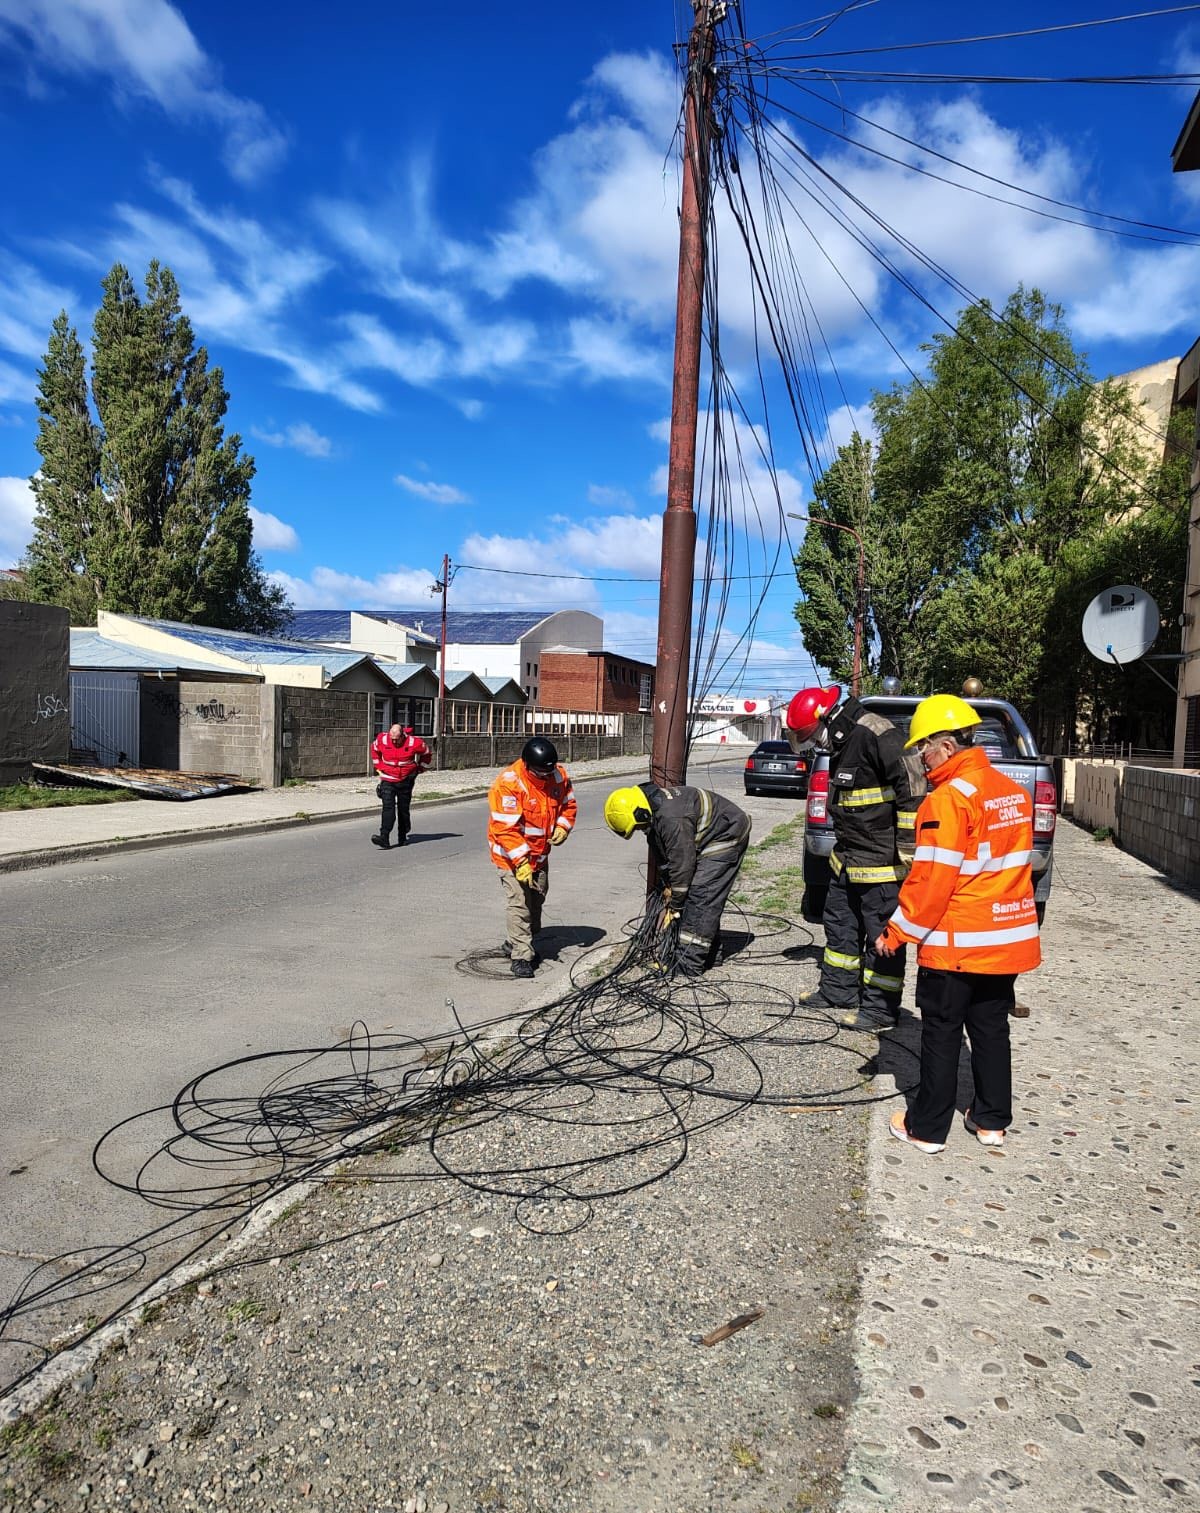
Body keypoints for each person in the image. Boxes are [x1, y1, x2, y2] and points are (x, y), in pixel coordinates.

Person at [873, 694, 1041, 1154]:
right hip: (1005, 939)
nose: (920, 759)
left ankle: (925, 1129)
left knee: (942, 1031)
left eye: (923, 748)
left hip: (957, 942)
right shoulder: (1010, 790)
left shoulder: (948, 800)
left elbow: (931, 881)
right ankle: (990, 1122)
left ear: (946, 746)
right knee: (990, 1029)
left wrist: (896, 932)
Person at [786, 685, 924, 1033]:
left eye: (811, 736)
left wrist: (909, 850)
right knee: (840, 926)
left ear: (826, 719)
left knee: (882, 937)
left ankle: (879, 1009)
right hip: (847, 858)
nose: (814, 744)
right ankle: (838, 991)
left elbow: (913, 786)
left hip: (880, 863)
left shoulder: (873, 732)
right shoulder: (843, 740)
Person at [603, 781, 751, 978]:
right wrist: (668, 886)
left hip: (727, 834)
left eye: (639, 826)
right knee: (698, 899)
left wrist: (676, 902)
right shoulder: (655, 811)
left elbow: (682, 864)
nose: (640, 830)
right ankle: (712, 955)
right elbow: (666, 856)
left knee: (701, 894)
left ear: (641, 813)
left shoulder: (672, 818)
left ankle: (688, 964)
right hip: (711, 834)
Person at [488, 736, 577, 979]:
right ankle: (521, 956)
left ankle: (514, 941)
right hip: (510, 857)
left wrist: (563, 826)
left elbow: (568, 805)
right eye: (540, 774)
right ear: (527, 765)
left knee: (536, 902)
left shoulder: (557, 775)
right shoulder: (509, 784)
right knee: (519, 904)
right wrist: (521, 862)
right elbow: (505, 830)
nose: (546, 778)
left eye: (548, 773)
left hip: (540, 855)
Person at [370, 722, 432, 849]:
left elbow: (426, 752)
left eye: (397, 740)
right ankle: (384, 837)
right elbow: (374, 750)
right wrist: (379, 766)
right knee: (388, 808)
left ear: (402, 736)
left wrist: (420, 768)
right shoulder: (382, 739)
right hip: (388, 778)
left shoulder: (414, 742)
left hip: (406, 779)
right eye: (392, 739)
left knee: (403, 809)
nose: (394, 742)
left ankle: (402, 835)